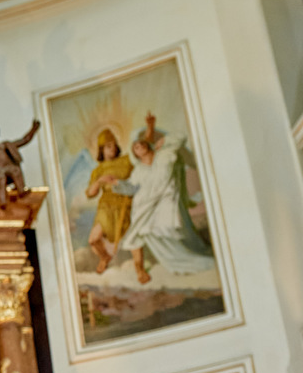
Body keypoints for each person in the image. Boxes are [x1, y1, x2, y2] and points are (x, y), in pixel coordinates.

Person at [104, 113, 214, 284]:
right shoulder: (138, 170)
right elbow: (131, 188)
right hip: (142, 207)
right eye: (135, 146)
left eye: (141, 143)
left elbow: (181, 137)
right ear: (135, 153)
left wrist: (164, 141)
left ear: (147, 145)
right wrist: (117, 183)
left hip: (164, 204)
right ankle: (140, 271)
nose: (139, 146)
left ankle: (180, 259)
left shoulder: (165, 155)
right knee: (134, 236)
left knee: (163, 231)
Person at [83, 129, 134, 274]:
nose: (112, 149)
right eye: (108, 147)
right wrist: (100, 181)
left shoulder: (126, 161)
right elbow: (91, 194)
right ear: (101, 150)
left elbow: (139, 174)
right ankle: (105, 257)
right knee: (93, 240)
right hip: (105, 207)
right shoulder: (98, 171)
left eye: (113, 145)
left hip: (123, 203)